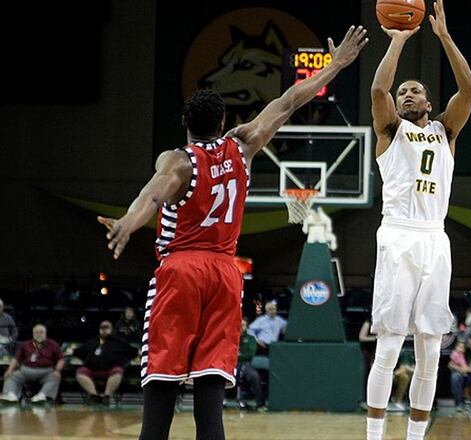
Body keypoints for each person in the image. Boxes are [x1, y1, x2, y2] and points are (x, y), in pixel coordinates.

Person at [97, 26, 367, 440]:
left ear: (185, 121)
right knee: (210, 397)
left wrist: (126, 225)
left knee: (162, 386)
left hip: (182, 270)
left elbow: (150, 198)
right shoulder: (243, 145)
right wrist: (335, 66)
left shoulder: (177, 161)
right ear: (223, 121)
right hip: (225, 274)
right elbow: (291, 99)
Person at [365, 0, 471, 439]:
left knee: (430, 347)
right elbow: (378, 92)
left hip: (435, 238)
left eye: (414, 90)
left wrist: (445, 39)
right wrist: (396, 43)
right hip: (397, 235)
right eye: (402, 92)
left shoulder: (445, 131)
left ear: (429, 101)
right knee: (390, 343)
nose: (406, 94)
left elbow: (468, 92)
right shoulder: (390, 130)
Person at [73, 320, 138, 405]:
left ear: (111, 329)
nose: (104, 330)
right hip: (92, 369)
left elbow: (133, 352)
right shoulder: (93, 341)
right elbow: (78, 352)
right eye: (102, 328)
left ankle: (106, 396)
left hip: (111, 370)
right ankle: (93, 395)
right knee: (80, 372)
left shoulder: (119, 342)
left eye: (106, 327)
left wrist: (123, 361)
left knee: (118, 371)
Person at [0, 324, 64, 403]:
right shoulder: (26, 344)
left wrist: (57, 370)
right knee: (11, 376)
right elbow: (16, 359)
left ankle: (43, 396)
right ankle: (10, 395)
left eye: (41, 332)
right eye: (37, 332)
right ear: (33, 334)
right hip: (26, 370)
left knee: (56, 377)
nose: (39, 334)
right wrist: (9, 370)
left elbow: (61, 360)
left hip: (46, 371)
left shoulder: (53, 344)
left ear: (45, 333)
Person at [236, 317, 263, 409]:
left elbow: (250, 355)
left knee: (254, 375)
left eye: (243, 325)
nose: (241, 327)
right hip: (231, 365)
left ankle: (260, 403)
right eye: (239, 324)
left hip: (246, 364)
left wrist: (238, 355)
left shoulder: (251, 339)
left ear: (246, 327)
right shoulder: (231, 337)